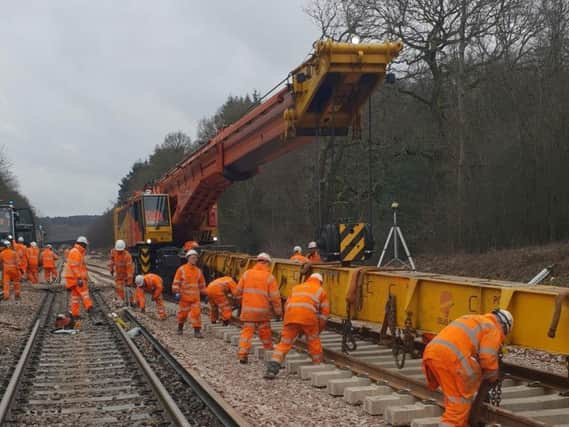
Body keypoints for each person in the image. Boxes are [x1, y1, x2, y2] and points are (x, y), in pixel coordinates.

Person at [422, 309, 514, 427]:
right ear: (504, 326)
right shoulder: (493, 327)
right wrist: (493, 373)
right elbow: (487, 357)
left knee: (453, 399)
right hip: (451, 358)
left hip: (432, 353)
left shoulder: (473, 319)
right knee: (459, 405)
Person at [264, 273, 329, 379]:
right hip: (308, 318)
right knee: (313, 341)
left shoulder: (296, 288)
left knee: (284, 344)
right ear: (320, 282)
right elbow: (324, 314)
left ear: (309, 279)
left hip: (291, 317)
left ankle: (272, 368)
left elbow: (287, 305)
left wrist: (287, 321)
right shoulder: (320, 290)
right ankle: (317, 364)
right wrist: (318, 329)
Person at [234, 252, 282, 364]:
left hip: (248, 311)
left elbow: (237, 292)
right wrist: (278, 312)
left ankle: (242, 354)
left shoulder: (247, 274)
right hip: (263, 312)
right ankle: (268, 348)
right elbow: (275, 297)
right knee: (265, 330)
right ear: (266, 263)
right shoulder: (269, 277)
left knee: (247, 333)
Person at [172, 249, 206, 337]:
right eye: (193, 258)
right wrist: (176, 292)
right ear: (188, 258)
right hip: (184, 298)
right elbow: (176, 282)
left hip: (195, 298)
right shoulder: (181, 269)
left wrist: (206, 294)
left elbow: (202, 285)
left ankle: (197, 331)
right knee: (182, 315)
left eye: (196, 258)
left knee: (196, 314)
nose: (194, 259)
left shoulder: (198, 271)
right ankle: (180, 328)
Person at [63, 236, 93, 319]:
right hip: (75, 278)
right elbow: (74, 266)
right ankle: (90, 308)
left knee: (75, 297)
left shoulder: (76, 251)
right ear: (82, 244)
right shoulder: (76, 252)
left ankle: (75, 314)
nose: (86, 247)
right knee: (84, 293)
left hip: (72, 278)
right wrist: (79, 278)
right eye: (85, 245)